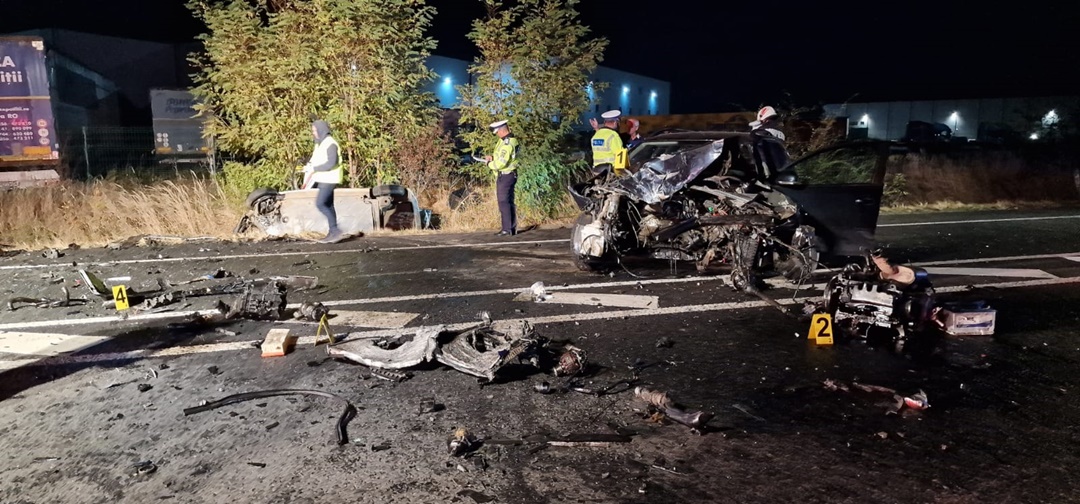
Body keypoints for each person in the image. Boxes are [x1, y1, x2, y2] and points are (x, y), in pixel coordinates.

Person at [299, 119, 345, 243]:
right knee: (328, 205)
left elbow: (331, 163)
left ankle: (335, 231)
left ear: (321, 130)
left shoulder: (330, 144)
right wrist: (308, 168)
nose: (313, 133)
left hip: (330, 178)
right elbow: (317, 160)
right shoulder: (320, 144)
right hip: (324, 178)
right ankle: (333, 232)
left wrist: (314, 168)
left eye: (315, 130)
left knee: (320, 204)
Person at [483, 119, 520, 236]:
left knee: (503, 202)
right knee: (508, 201)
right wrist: (492, 158)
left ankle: (507, 229)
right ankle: (511, 228)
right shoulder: (507, 140)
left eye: (497, 132)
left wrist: (489, 164)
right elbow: (502, 157)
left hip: (506, 175)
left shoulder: (507, 143)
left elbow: (501, 163)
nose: (497, 134)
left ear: (502, 130)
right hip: (509, 175)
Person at [747, 106, 791, 182]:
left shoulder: (770, 132)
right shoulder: (775, 131)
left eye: (773, 119)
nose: (771, 121)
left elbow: (756, 135)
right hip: (769, 166)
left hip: (772, 168)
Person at [590, 110, 627, 176]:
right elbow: (620, 156)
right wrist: (621, 174)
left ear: (605, 122)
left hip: (596, 171)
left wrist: (597, 128)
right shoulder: (613, 135)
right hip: (610, 172)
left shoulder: (596, 135)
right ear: (615, 122)